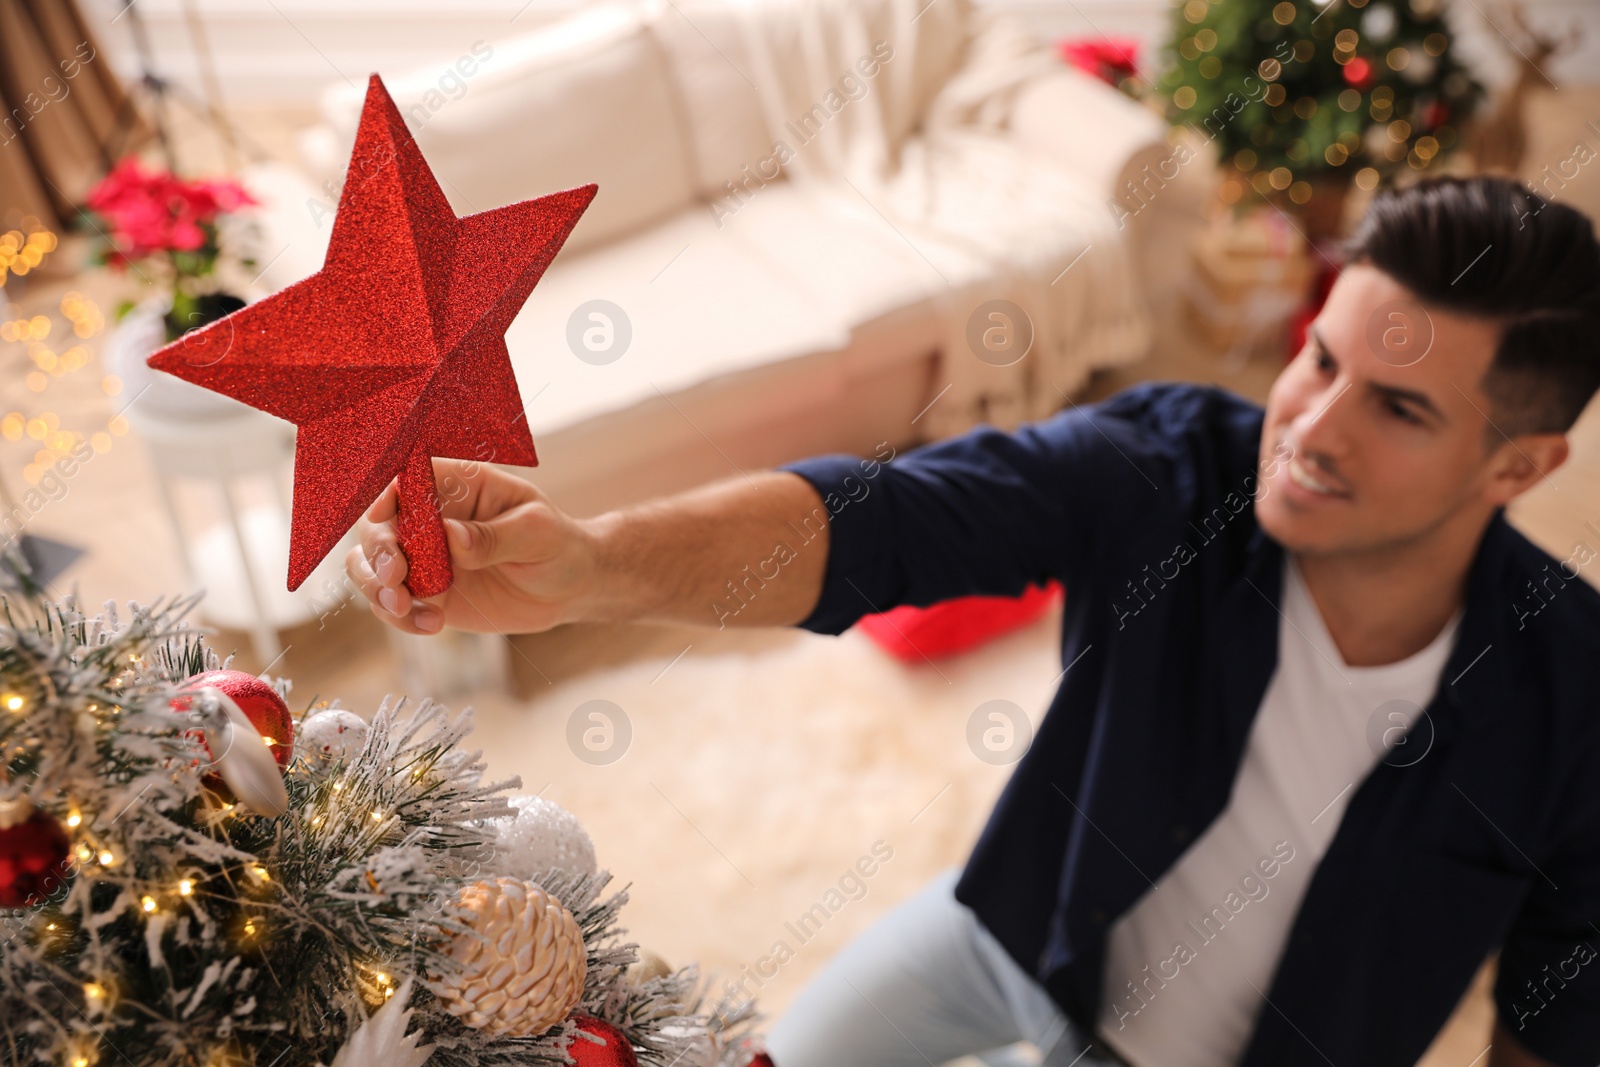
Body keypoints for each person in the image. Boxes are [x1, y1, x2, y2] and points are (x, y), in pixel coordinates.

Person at [346, 177, 1600, 1067]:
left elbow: (1559, 1009)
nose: (1312, 428)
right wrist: (590, 564)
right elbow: (887, 522)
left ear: (1520, 464)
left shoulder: (1575, 705)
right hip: (1011, 921)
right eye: (1319, 359)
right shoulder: (1171, 463)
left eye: (1400, 408)